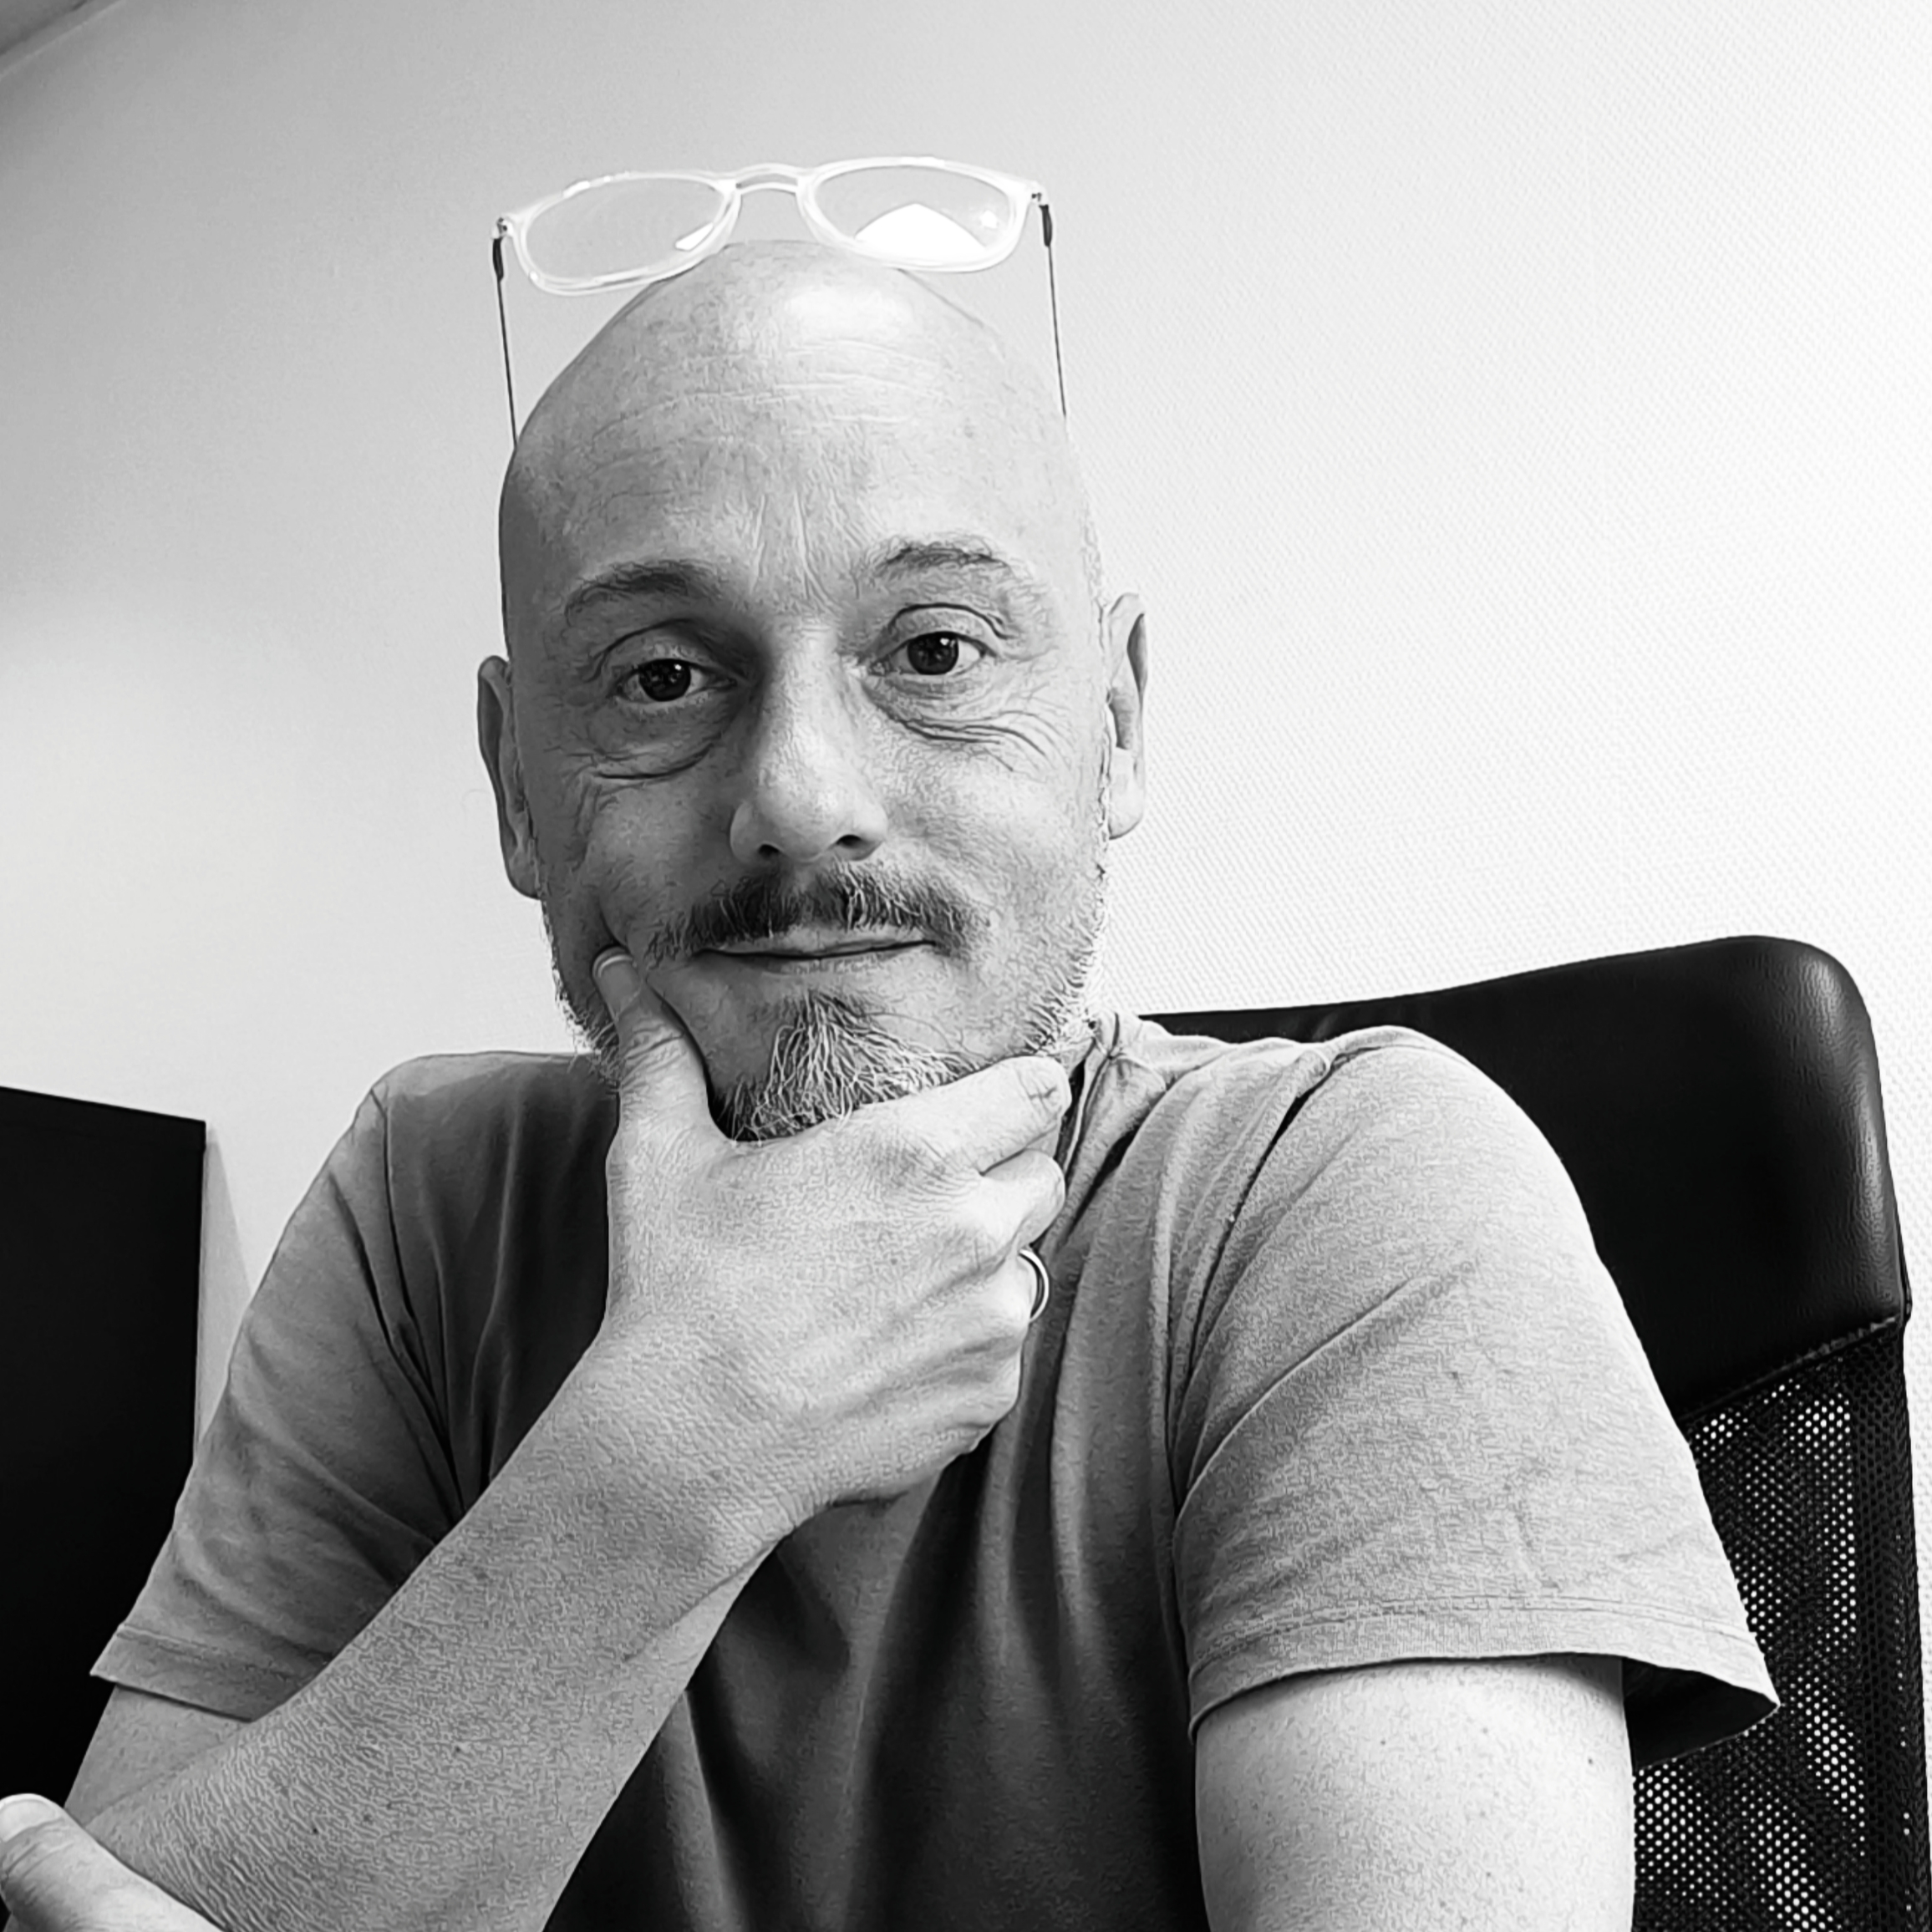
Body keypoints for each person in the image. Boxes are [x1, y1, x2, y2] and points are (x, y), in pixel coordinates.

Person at [3, 239, 1777, 1932]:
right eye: (662, 676)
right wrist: (682, 1440)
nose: (800, 799)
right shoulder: (427, 1196)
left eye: (932, 650)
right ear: (518, 790)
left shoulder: (1351, 1187)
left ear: (1117, 725)